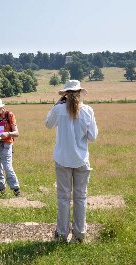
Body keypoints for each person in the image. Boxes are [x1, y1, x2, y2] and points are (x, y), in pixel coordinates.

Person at [45, 80, 98, 243]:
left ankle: (62, 233)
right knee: (80, 198)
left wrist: (56, 104)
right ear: (80, 92)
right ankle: (79, 234)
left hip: (62, 159)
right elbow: (93, 137)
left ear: (65, 94)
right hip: (81, 160)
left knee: (63, 198)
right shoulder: (88, 110)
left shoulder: (58, 109)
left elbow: (48, 124)